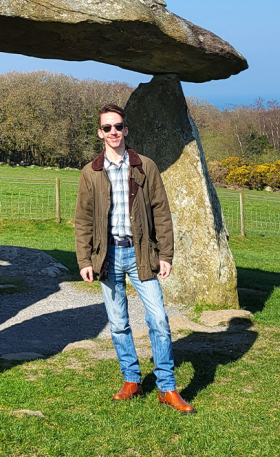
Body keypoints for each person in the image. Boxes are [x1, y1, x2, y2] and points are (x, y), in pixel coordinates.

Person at [74, 102, 195, 414]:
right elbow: (84, 220)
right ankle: (131, 380)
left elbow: (161, 212)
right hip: (107, 255)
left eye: (118, 127)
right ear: (100, 133)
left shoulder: (146, 166)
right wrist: (85, 261)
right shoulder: (91, 172)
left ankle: (167, 387)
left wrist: (165, 254)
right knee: (118, 323)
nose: (113, 132)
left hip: (141, 252)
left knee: (158, 319)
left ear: (126, 130)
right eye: (107, 128)